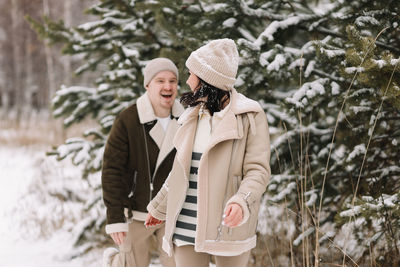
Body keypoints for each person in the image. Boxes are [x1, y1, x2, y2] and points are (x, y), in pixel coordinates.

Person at [145, 39, 271, 267]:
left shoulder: (250, 115)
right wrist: (159, 207)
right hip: (185, 224)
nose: (188, 80)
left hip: (228, 225)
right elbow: (181, 171)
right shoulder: (193, 115)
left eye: (192, 73)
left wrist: (242, 201)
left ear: (207, 80)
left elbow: (258, 171)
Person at [101, 58, 183, 267]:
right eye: (160, 81)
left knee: (178, 263)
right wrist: (115, 217)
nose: (168, 86)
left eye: (172, 81)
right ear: (147, 85)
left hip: (173, 211)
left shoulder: (186, 120)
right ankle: (114, 262)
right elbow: (112, 171)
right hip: (137, 211)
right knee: (131, 263)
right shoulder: (128, 120)